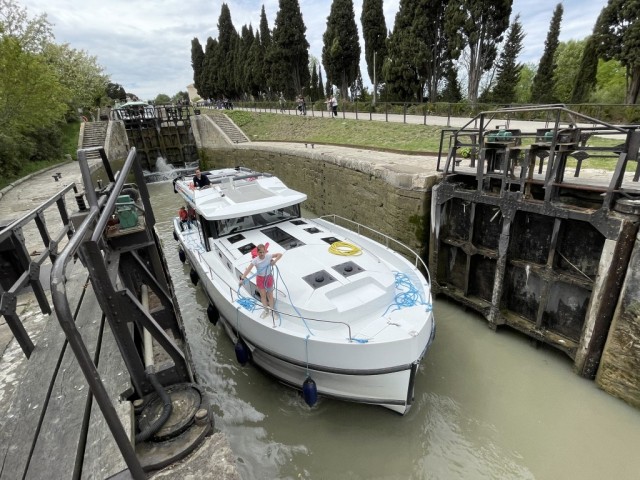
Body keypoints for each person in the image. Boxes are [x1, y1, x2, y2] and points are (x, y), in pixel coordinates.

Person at [239, 244, 283, 318]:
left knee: (270, 296)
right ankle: (266, 311)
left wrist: (274, 261)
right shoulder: (255, 260)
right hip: (260, 279)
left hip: (268, 278)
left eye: (263, 252)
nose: (262, 254)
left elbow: (280, 254)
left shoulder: (268, 256)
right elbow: (248, 270)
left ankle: (272, 311)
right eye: (260, 252)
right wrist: (242, 279)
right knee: (263, 296)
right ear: (257, 252)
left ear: (265, 251)